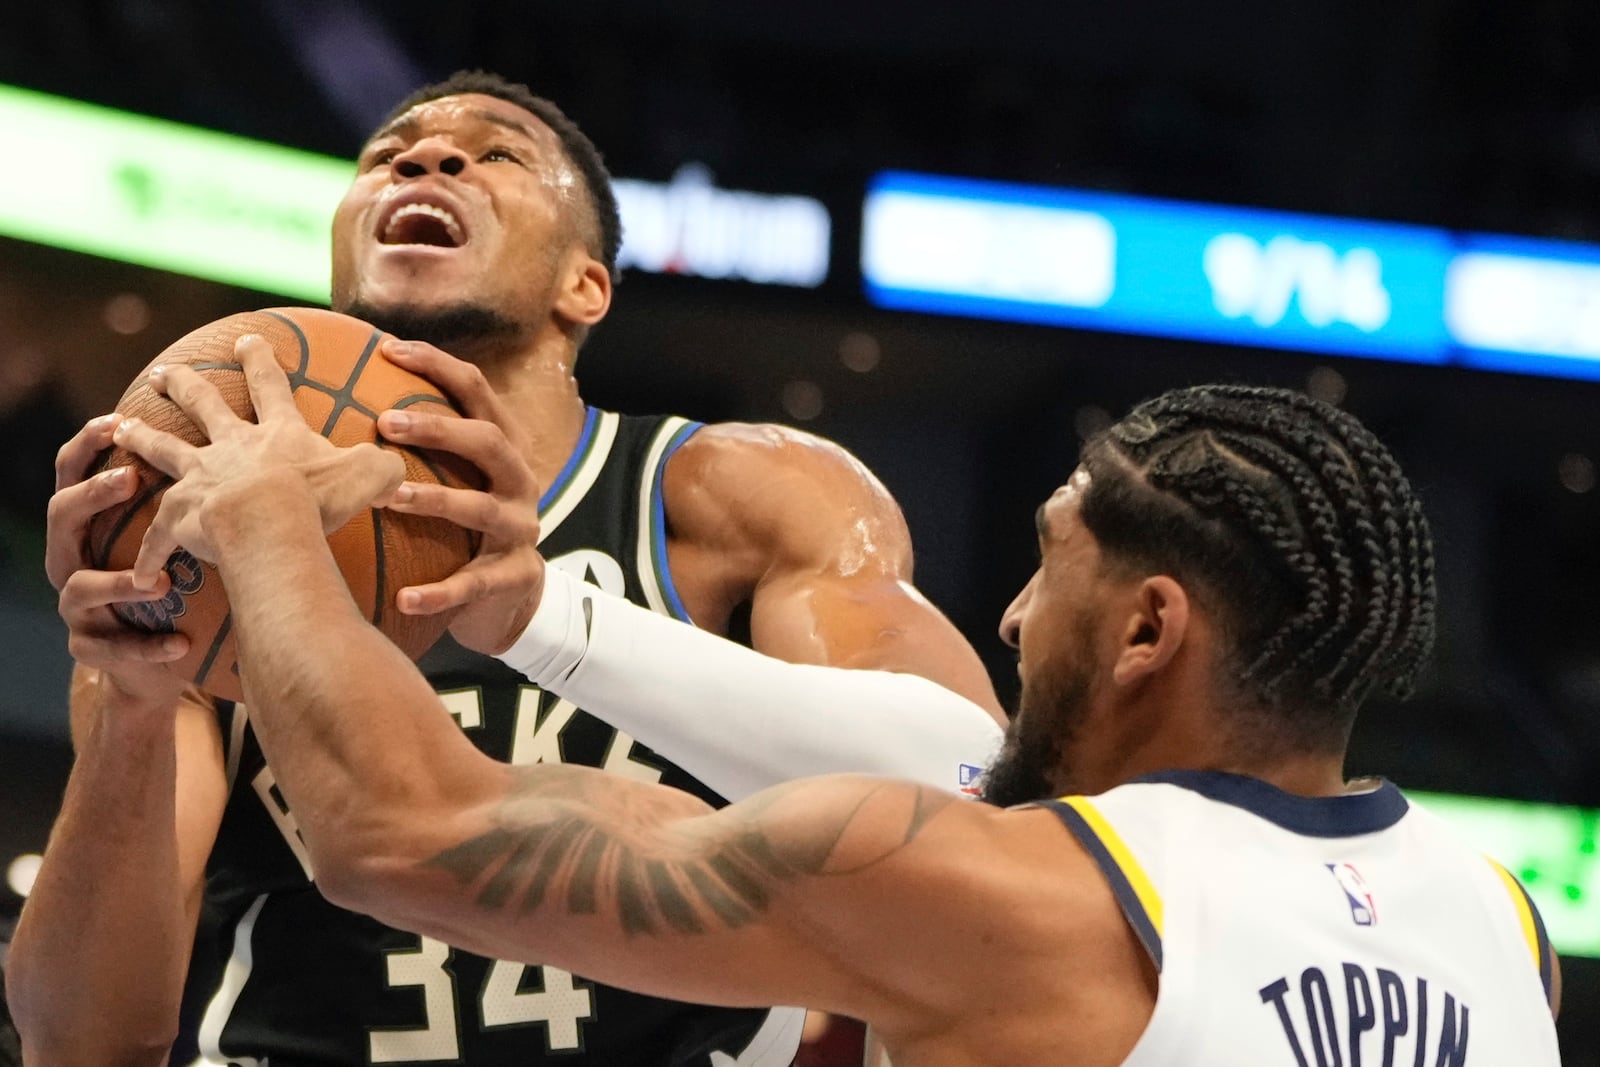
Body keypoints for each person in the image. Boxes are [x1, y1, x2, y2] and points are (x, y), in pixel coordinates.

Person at [80, 366, 1564, 1064]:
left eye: (1046, 573)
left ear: (1148, 629)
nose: (1008, 621)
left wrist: (267, 529)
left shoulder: (997, 890)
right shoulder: (1504, 923)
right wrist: (539, 615)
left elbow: (400, 830)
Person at [9, 70, 1004, 1066]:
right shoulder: (202, 544)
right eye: (386, 157)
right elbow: (84, 1037)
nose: (425, 157)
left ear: (587, 282)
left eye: (496, 154)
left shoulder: (727, 494)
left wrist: (545, 616)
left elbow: (974, 799)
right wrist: (134, 706)